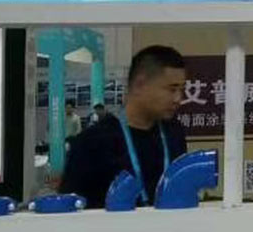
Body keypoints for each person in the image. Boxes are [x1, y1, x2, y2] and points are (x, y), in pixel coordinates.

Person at [60, 46, 190, 209]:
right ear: (139, 85)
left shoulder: (173, 134)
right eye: (172, 89)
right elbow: (69, 209)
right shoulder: (92, 142)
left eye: (181, 90)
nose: (178, 98)